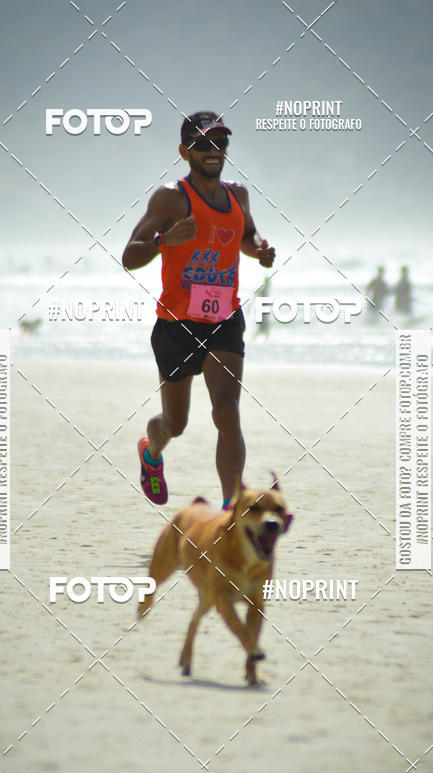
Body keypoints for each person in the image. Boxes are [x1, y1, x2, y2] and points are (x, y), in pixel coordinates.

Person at [122, 111, 275, 508]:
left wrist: (258, 248)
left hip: (224, 319)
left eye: (220, 143)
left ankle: (230, 509)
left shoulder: (237, 194)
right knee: (175, 423)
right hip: (177, 323)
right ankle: (151, 452)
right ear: (184, 151)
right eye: (202, 145)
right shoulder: (171, 197)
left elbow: (245, 234)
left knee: (227, 411)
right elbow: (129, 256)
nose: (212, 151)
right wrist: (164, 240)